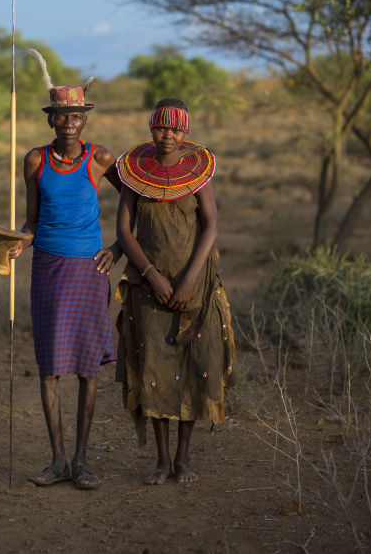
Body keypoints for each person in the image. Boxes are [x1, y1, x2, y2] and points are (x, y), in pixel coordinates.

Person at [10, 49, 122, 490]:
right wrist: (20, 241)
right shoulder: (35, 160)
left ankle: (82, 461)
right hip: (48, 269)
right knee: (50, 366)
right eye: (61, 115)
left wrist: (118, 247)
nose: (69, 122)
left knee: (87, 367)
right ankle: (57, 461)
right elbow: (32, 220)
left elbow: (130, 204)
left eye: (76, 115)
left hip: (89, 269)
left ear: (85, 120)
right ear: (51, 120)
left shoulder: (100, 159)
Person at [115, 98, 235, 485]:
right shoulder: (134, 173)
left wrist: (186, 281)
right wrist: (152, 275)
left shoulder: (199, 173)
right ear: (151, 128)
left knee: (194, 367)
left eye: (176, 129)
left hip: (194, 287)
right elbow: (123, 233)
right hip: (149, 289)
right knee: (154, 370)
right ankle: (162, 461)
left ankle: (184, 459)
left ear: (186, 133)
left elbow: (212, 227)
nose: (169, 135)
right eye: (161, 128)